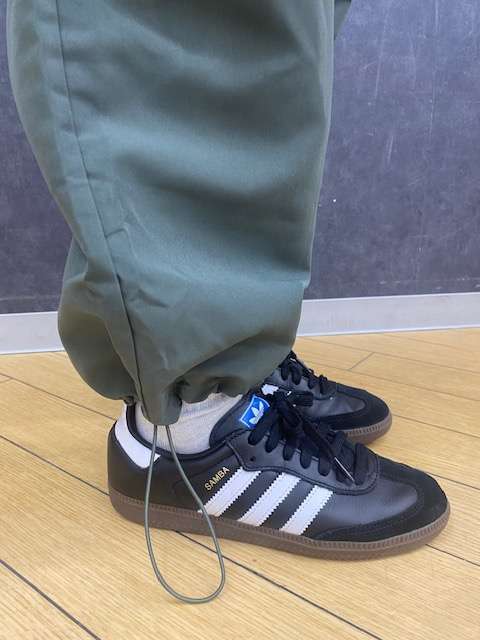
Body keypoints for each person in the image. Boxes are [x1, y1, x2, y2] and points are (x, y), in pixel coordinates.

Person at [7, 0, 449, 603]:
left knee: (277, 49)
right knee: (189, 28)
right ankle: (196, 431)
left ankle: (241, 359)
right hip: (188, 438)